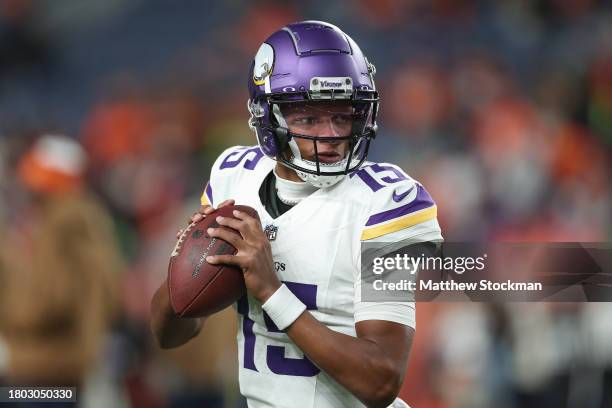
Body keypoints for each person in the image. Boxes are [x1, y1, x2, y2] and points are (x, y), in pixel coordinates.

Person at [151, 20, 442, 408]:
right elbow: (170, 333)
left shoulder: (390, 202)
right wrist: (186, 268)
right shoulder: (234, 174)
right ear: (267, 118)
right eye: (309, 119)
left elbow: (381, 379)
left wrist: (271, 290)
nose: (331, 135)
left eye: (343, 116)